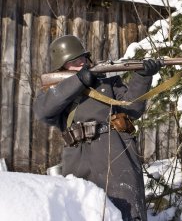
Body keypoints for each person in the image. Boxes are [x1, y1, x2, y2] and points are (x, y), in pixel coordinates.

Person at [33, 35, 162, 221]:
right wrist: (78, 81)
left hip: (116, 152)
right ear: (62, 67)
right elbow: (43, 111)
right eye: (75, 62)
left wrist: (143, 76)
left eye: (84, 58)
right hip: (78, 159)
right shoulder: (58, 91)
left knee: (127, 211)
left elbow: (133, 108)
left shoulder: (107, 84)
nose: (83, 63)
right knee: (82, 212)